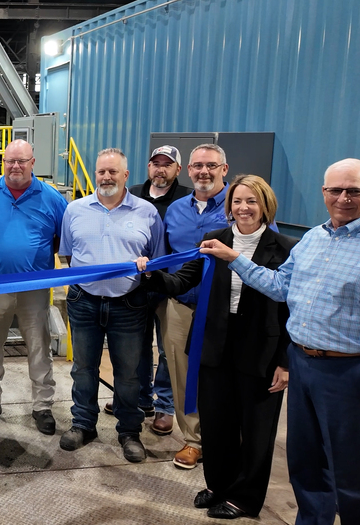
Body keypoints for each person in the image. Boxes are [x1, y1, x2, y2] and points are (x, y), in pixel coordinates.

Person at [199, 159, 360, 525]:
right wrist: (234, 259)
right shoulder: (314, 238)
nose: (343, 198)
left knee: (353, 474)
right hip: (305, 365)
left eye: (354, 191)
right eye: (334, 190)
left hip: (352, 372)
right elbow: (280, 287)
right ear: (324, 192)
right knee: (306, 466)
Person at [138, 175, 297, 519]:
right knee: (217, 421)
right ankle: (218, 485)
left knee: (256, 428)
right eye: (237, 201)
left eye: (252, 202)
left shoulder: (284, 247)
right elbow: (183, 279)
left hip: (260, 347)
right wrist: (152, 274)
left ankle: (245, 496)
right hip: (214, 341)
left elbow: (292, 308)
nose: (243, 208)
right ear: (229, 206)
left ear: (266, 206)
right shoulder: (214, 239)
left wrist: (285, 361)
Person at [57, 149, 165, 463]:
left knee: (129, 374)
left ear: (126, 176)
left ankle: (129, 431)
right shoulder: (75, 210)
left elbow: (157, 260)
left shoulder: (147, 212)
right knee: (84, 369)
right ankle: (83, 424)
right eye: (102, 171)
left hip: (129, 304)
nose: (106, 177)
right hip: (84, 302)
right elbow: (68, 254)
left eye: (113, 172)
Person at [0, 140, 68, 435]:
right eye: (10, 161)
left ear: (32, 162)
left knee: (39, 347)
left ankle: (42, 406)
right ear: (3, 162)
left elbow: (62, 239)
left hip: (34, 287)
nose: (15, 166)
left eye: (21, 161)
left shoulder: (51, 197)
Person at [103, 145, 191, 424]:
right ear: (148, 167)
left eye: (167, 164)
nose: (160, 169)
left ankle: (164, 404)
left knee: (166, 349)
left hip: (169, 287)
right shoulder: (132, 194)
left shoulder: (185, 199)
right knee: (136, 346)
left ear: (178, 169)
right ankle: (139, 398)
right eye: (156, 163)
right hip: (134, 288)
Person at [158, 143, 232, 469]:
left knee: (223, 375)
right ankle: (193, 439)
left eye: (211, 166)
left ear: (224, 170)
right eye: (198, 166)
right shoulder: (175, 210)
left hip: (226, 311)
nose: (204, 172)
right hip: (181, 306)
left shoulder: (240, 206)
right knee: (182, 374)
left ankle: (227, 437)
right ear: (188, 171)